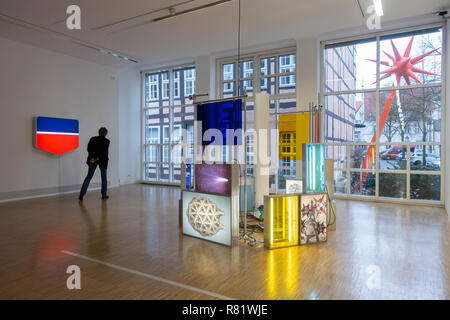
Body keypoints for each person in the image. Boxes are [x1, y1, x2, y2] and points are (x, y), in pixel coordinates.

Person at [78, 127, 110, 201]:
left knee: (89, 176)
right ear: (106, 133)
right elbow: (104, 153)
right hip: (102, 161)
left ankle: (81, 195)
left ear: (98, 132)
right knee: (104, 178)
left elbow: (89, 149)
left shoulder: (92, 139)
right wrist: (97, 158)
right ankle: (104, 195)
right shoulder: (107, 141)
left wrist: (94, 158)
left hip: (92, 160)